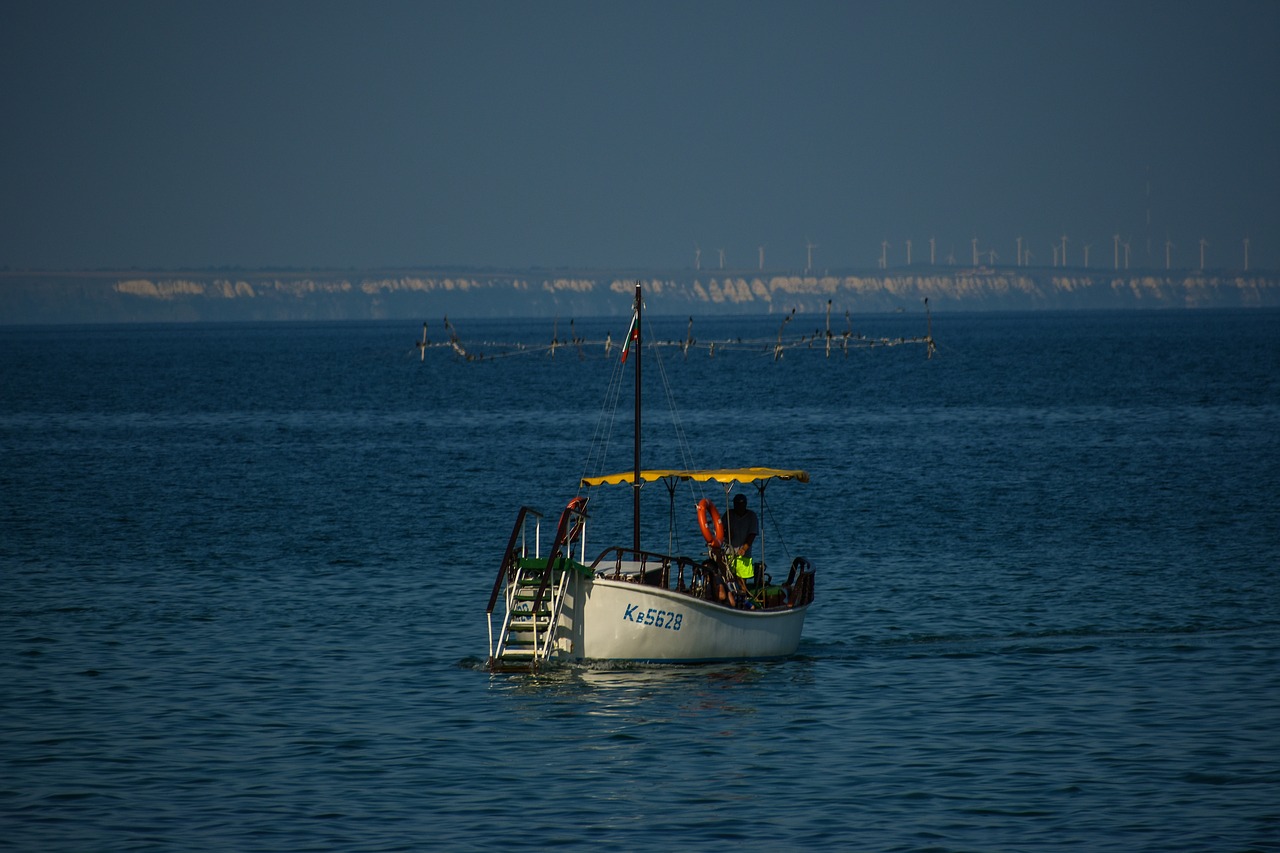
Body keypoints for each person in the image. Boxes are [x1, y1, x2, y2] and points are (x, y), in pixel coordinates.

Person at [723, 493, 759, 588]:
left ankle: (743, 597)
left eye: (741, 504)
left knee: (742, 582)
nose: (739, 507)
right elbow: (721, 530)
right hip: (729, 552)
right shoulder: (729, 514)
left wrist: (744, 549)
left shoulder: (751, 516)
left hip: (743, 554)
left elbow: (752, 534)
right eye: (737, 504)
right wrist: (726, 534)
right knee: (729, 580)